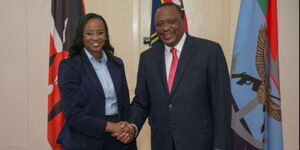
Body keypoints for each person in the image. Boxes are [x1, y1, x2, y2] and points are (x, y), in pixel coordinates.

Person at [118, 2, 233, 150]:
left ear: (183, 20)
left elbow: (221, 104)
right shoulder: (148, 58)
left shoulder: (210, 51)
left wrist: (220, 146)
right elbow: (141, 101)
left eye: (171, 22)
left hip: (200, 143)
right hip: (162, 143)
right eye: (159, 24)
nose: (165, 28)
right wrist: (132, 126)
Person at [57, 13, 137, 150]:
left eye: (100, 33)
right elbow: (73, 115)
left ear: (106, 35)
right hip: (85, 140)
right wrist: (110, 127)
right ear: (81, 36)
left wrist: (127, 129)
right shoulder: (70, 66)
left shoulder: (117, 63)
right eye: (89, 33)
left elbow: (124, 106)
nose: (95, 38)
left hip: (118, 138)